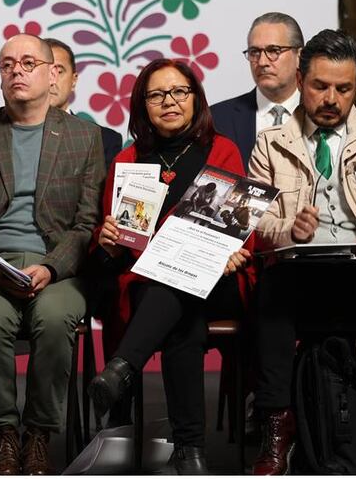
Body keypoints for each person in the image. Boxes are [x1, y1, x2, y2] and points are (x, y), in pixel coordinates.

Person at [248, 29, 356, 476]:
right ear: (301, 81)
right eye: (319, 86)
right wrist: (290, 229)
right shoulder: (271, 142)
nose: (330, 98)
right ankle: (276, 421)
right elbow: (258, 221)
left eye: (343, 89)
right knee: (273, 280)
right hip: (303, 273)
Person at [87, 58, 254, 474]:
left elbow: (239, 223)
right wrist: (107, 238)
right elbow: (119, 247)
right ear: (142, 105)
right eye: (156, 94)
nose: (169, 101)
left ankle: (123, 367)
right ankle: (190, 451)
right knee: (183, 321)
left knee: (176, 291)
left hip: (218, 278)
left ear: (195, 98)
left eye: (179, 91)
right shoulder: (128, 159)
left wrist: (233, 249)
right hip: (152, 280)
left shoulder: (222, 149)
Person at [0, 33, 104, 475]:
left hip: (56, 266)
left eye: (28, 63)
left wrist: (52, 267)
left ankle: (38, 435)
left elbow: (85, 223)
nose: (17, 70)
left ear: (52, 72)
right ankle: (3, 433)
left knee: (55, 320)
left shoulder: (83, 135)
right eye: (7, 64)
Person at [210, 12, 304, 169]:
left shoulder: (322, 115)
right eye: (254, 52)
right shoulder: (217, 119)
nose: (262, 62)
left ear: (299, 55)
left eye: (274, 50)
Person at [44, 37, 122, 170]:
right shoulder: (6, 135)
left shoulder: (104, 140)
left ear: (73, 81)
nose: (51, 81)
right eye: (44, 72)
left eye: (59, 71)